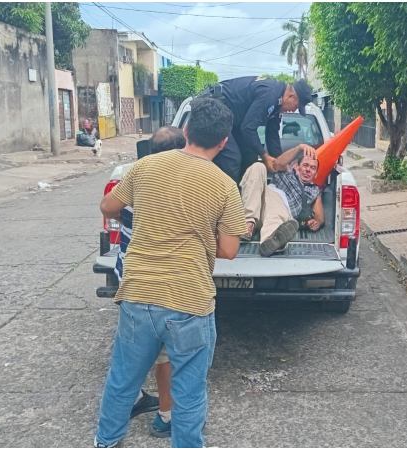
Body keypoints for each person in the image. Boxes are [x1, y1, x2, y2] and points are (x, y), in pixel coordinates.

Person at [94, 97, 248, 448]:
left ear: (187, 130)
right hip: (190, 300)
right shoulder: (224, 185)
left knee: (123, 381)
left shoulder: (146, 166)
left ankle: (105, 442)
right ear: (224, 142)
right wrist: (198, 230)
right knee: (190, 391)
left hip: (139, 294)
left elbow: (108, 206)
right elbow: (229, 250)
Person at [113, 126, 186, 439]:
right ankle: (166, 418)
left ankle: (131, 400)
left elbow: (111, 209)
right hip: (155, 283)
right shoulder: (172, 188)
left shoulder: (135, 180)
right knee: (164, 353)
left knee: (134, 347)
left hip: (129, 278)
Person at [200, 76, 315, 183]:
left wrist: (279, 162)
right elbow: (248, 128)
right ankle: (226, 202)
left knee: (250, 159)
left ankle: (245, 200)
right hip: (212, 108)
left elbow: (272, 134)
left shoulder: (277, 104)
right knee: (231, 160)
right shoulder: (270, 95)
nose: (293, 110)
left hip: (232, 119)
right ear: (291, 96)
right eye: (296, 106)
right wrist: (264, 156)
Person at [239, 142, 324, 257]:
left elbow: (320, 217)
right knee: (258, 167)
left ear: (316, 174)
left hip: (280, 213)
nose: (308, 170)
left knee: (275, 209)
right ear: (296, 166)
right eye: (305, 165)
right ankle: (248, 224)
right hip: (257, 204)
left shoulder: (314, 190)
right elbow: (277, 163)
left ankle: (269, 242)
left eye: (313, 168)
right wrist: (299, 148)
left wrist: (317, 222)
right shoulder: (286, 171)